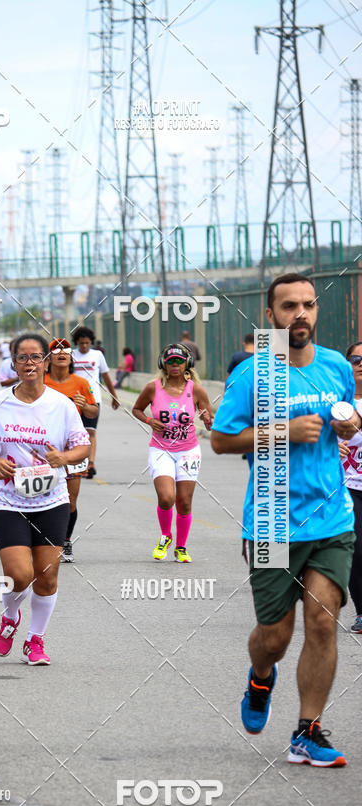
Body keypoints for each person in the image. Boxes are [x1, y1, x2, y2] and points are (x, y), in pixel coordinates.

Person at [211, 273, 358, 767]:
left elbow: (351, 416)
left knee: (323, 622)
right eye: (289, 306)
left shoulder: (337, 366)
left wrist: (352, 422)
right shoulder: (256, 372)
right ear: (270, 315)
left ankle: (307, 731)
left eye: (309, 305)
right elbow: (221, 440)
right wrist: (284, 430)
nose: (301, 314)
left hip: (332, 520)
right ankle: (260, 678)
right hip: (273, 520)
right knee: (275, 637)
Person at [0, 333, 91, 665]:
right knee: (20, 575)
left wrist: (64, 458)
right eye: (22, 358)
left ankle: (35, 640)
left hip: (51, 499)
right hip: (7, 498)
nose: (30, 363)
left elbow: (83, 446)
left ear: (46, 361)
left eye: (36, 357)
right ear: (13, 363)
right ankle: (11, 617)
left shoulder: (61, 405)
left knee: (47, 575)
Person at [132, 343, 212, 563]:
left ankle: (181, 547)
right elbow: (136, 409)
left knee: (184, 502)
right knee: (167, 498)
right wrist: (149, 420)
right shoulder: (153, 387)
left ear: (187, 363)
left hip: (189, 451)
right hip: (161, 449)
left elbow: (209, 419)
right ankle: (166, 535)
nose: (175, 365)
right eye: (170, 361)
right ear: (163, 364)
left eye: (179, 361)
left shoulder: (195, 389)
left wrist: (208, 420)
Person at [44, 338, 99, 562]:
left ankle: (65, 541)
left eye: (66, 350)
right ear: (49, 358)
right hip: (45, 447)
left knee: (70, 500)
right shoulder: (41, 381)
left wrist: (85, 406)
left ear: (71, 357)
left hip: (73, 447)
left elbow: (94, 412)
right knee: (43, 496)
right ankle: (43, 541)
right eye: (56, 350)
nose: (61, 353)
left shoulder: (81, 383)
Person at [71, 326, 120, 477]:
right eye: (81, 343)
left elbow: (105, 376)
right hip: (74, 399)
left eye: (86, 343)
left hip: (93, 399)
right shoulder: (72, 355)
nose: (84, 346)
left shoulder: (97, 355)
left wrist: (114, 396)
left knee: (91, 431)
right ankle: (78, 463)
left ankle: (90, 463)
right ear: (77, 343)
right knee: (76, 433)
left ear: (91, 342)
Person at [338, 342, 362, 634]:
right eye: (355, 359)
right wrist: (334, 446)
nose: (361, 363)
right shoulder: (336, 402)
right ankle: (361, 611)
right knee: (357, 547)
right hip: (348, 485)